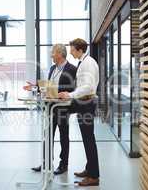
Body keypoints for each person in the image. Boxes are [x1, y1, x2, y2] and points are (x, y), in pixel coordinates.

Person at [23, 44, 77, 175]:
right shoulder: (53, 68)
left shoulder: (72, 69)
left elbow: (72, 88)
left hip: (63, 108)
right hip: (49, 107)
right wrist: (36, 87)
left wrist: (62, 92)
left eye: (53, 53)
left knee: (64, 136)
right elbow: (48, 86)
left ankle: (63, 165)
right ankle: (46, 163)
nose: (51, 55)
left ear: (60, 54)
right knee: (47, 136)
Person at [58, 38, 100, 186]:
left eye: (72, 49)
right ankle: (89, 169)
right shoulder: (85, 62)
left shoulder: (88, 63)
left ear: (79, 49)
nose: (70, 52)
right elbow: (83, 86)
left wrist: (69, 95)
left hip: (86, 103)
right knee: (87, 138)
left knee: (89, 140)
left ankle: (94, 176)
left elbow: (88, 87)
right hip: (84, 102)